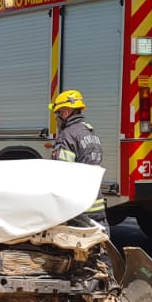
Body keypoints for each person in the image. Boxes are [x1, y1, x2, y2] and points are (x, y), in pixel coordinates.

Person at [49, 89, 108, 233]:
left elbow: (62, 172)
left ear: (66, 113)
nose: (56, 118)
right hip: (97, 204)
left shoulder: (67, 136)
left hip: (79, 207)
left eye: (57, 113)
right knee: (102, 246)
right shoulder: (89, 132)